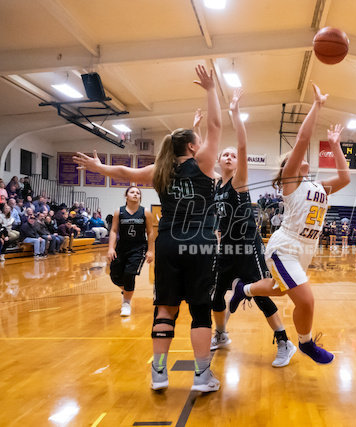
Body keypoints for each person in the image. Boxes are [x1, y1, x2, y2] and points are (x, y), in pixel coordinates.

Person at [74, 64, 223, 393]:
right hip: (199, 242)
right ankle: (202, 376)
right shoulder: (204, 163)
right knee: (200, 309)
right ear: (193, 148)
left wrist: (99, 167)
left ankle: (158, 373)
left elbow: (125, 173)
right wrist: (212, 90)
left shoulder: (160, 170)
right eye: (198, 140)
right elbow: (216, 125)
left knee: (165, 307)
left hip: (168, 242)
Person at [226, 84, 350, 365]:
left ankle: (243, 289)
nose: (301, 157)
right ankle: (306, 343)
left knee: (279, 288)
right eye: (295, 158)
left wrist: (335, 145)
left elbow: (345, 178)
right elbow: (303, 139)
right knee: (305, 300)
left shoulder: (319, 186)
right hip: (286, 247)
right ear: (287, 167)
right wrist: (317, 105)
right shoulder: (291, 181)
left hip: (306, 249)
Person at [210, 89, 295, 368]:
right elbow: (201, 159)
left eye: (233, 155)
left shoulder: (239, 181)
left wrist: (235, 112)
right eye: (225, 154)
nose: (229, 157)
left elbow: (243, 147)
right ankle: (221, 334)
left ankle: (284, 342)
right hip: (226, 249)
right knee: (216, 296)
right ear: (219, 161)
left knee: (259, 296)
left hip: (248, 248)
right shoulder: (216, 185)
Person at [108, 186, 154, 317]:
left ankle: (126, 303)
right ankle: (127, 290)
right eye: (132, 192)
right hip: (122, 247)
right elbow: (114, 231)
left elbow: (150, 232)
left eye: (138, 193)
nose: (135, 194)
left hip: (138, 248)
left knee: (129, 274)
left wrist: (151, 250)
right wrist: (111, 248)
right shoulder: (119, 212)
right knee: (115, 276)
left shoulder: (145, 212)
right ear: (126, 196)